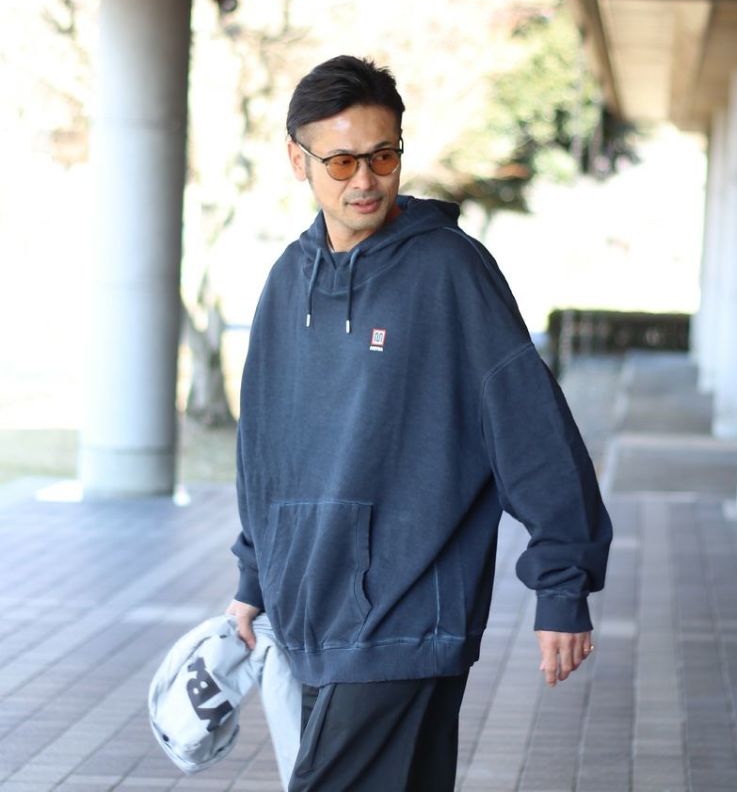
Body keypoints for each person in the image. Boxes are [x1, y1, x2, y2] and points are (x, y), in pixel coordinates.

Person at [226, 55, 612, 791]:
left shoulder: (450, 272)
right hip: (310, 617)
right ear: (298, 162)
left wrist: (563, 585)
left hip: (406, 619)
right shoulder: (286, 280)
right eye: (341, 161)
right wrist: (254, 576)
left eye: (383, 156)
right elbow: (263, 449)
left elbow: (531, 431)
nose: (365, 180)